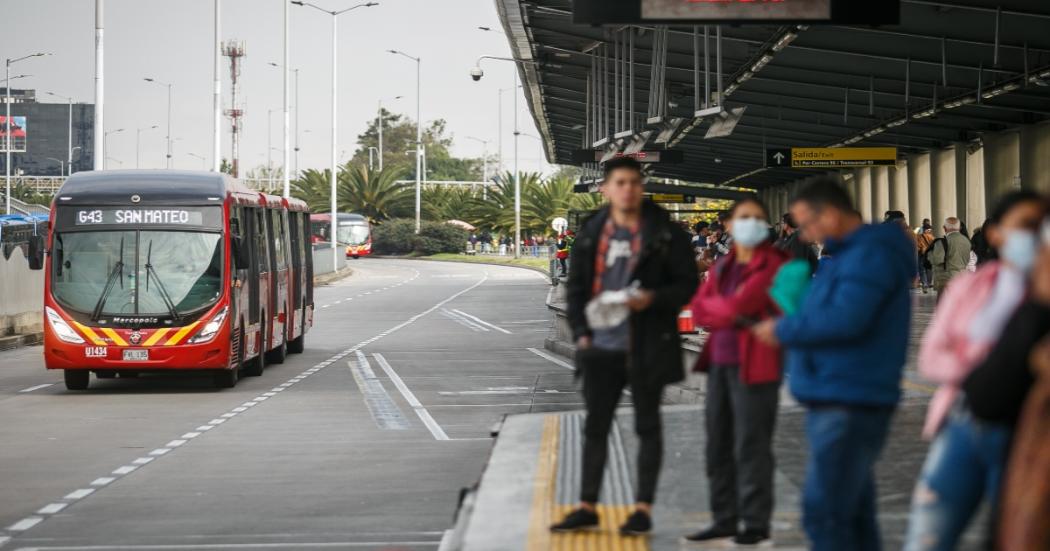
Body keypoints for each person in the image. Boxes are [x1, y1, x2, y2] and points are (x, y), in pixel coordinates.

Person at [751, 177, 915, 551]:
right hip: (838, 390)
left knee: (824, 510)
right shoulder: (849, 255)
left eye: (808, 224)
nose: (806, 236)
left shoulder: (869, 255)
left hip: (852, 394)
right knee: (853, 508)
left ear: (831, 213)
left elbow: (845, 319)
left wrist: (785, 329)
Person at [553, 156, 699, 535]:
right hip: (600, 346)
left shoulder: (665, 232)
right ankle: (587, 505)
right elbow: (578, 288)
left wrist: (651, 298)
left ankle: (642, 508)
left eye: (634, 182)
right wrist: (582, 333)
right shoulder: (593, 231)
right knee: (595, 426)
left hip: (646, 343)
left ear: (642, 186)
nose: (628, 189)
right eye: (620, 182)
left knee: (647, 425)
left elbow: (687, 286)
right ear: (605, 187)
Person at [903, 191, 1046, 551]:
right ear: (997, 233)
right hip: (966, 421)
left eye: (1039, 227)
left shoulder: (1043, 293)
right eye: (1025, 226)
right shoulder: (973, 287)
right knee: (928, 534)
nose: (1034, 236)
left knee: (1013, 534)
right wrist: (986, 371)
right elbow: (932, 356)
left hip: (1025, 434)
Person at [684, 198, 787, 547]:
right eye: (737, 220)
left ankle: (756, 522)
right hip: (719, 363)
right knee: (718, 443)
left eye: (751, 219)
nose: (741, 225)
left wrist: (723, 309)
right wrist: (723, 310)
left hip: (756, 365)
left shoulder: (774, 263)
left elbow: (742, 305)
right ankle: (724, 518)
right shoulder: (726, 265)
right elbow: (700, 305)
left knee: (751, 444)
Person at [926, 217, 971, 297]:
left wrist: (930, 254)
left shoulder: (943, 241)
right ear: (959, 227)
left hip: (946, 278)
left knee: (943, 305)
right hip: (961, 276)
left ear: (944, 228)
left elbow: (937, 260)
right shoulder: (966, 240)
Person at [917, 222, 935, 293]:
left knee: (922, 270)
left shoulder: (919, 237)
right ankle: (929, 283)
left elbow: (918, 246)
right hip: (930, 255)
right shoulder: (932, 237)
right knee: (929, 269)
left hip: (922, 254)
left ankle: (924, 284)